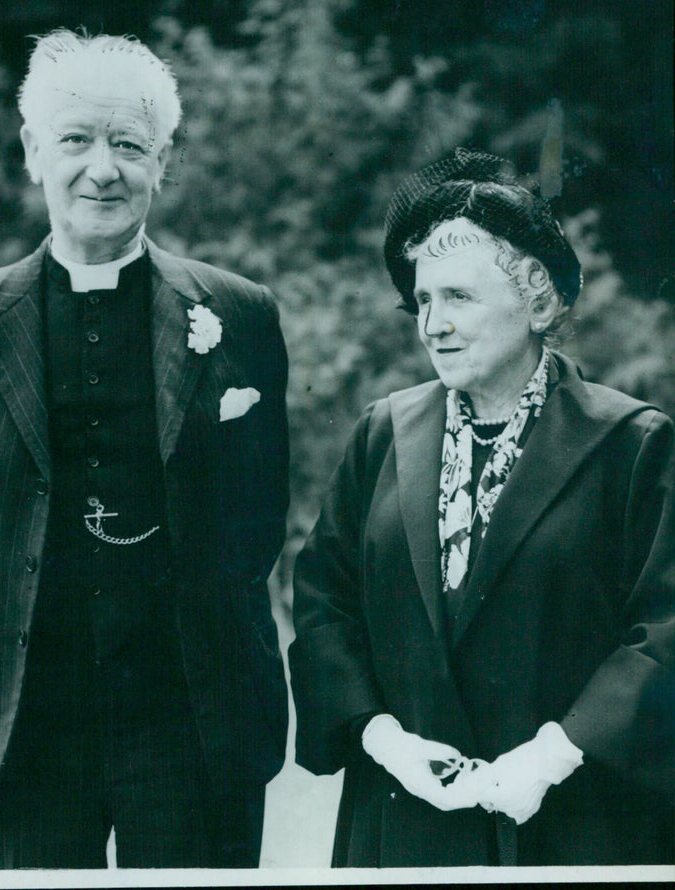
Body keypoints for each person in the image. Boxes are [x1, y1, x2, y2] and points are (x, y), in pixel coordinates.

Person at [0, 28, 289, 870]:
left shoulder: (243, 313)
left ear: (164, 162)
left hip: (192, 723)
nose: (103, 168)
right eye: (77, 140)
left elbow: (260, 518)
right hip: (22, 730)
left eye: (129, 144)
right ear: (32, 153)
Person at [288, 148, 675, 867]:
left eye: (458, 297)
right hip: (403, 829)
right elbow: (321, 605)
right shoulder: (383, 434)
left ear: (539, 301)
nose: (432, 323)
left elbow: (665, 632)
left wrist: (555, 756)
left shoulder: (633, 444)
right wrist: (384, 741)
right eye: (423, 299)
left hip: (578, 828)